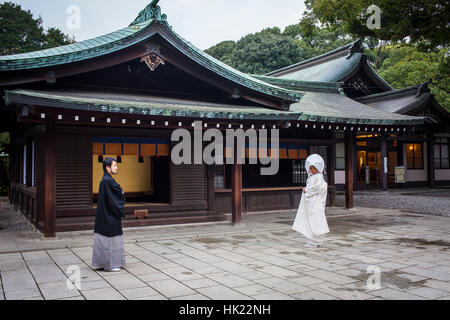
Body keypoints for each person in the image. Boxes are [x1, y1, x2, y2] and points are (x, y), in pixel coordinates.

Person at [92, 157, 126, 271]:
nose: (117, 167)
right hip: (109, 215)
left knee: (104, 240)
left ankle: (103, 263)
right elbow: (114, 198)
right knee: (111, 240)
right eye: (114, 165)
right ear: (107, 167)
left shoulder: (105, 180)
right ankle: (110, 265)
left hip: (105, 214)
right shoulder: (108, 181)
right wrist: (122, 193)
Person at [292, 154, 329, 248]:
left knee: (316, 220)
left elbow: (317, 188)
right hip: (311, 202)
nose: (312, 170)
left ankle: (316, 241)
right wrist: (306, 188)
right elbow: (310, 187)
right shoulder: (310, 177)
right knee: (310, 220)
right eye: (311, 168)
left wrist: (307, 190)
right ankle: (311, 241)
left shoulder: (319, 177)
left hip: (315, 202)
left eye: (313, 168)